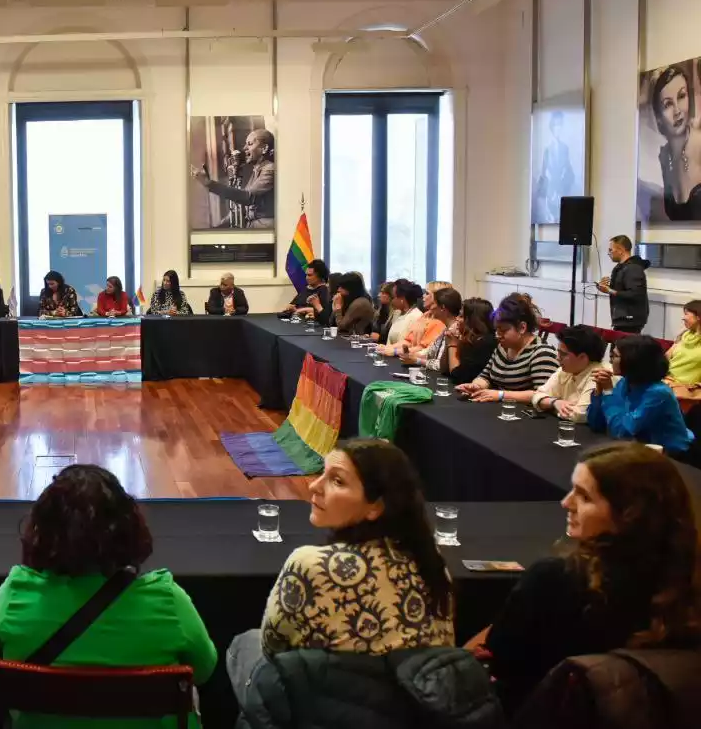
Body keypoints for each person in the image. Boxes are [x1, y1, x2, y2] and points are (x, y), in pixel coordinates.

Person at [0, 465, 216, 728]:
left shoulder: (13, 598)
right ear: (130, 528)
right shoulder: (168, 600)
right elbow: (205, 670)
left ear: (40, 532)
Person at [484, 444, 701, 714]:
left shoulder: (555, 580)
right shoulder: (685, 582)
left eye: (584, 497)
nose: (566, 503)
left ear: (629, 515)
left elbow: (500, 658)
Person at [262, 438, 453, 657]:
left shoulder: (310, 565)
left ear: (376, 507)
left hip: (332, 690)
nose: (314, 486)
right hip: (416, 690)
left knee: (242, 646)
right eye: (322, 474)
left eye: (337, 481)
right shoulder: (430, 561)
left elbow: (272, 649)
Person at [588, 335, 694, 455]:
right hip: (637, 449)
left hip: (671, 456)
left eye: (615, 356)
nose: (611, 360)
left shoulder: (658, 394)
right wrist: (599, 390)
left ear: (633, 360)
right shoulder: (625, 382)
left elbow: (621, 432)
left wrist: (608, 391)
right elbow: (596, 424)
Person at [458, 295, 559, 404]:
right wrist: (476, 386)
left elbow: (542, 396)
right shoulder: (503, 347)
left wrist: (501, 395)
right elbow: (485, 376)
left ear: (522, 328)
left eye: (503, 330)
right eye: (496, 330)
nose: (497, 335)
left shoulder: (542, 354)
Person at [190, 127, 276, 228]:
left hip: (265, 228)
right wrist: (217, 228)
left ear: (264, 149)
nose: (244, 148)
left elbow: (248, 197)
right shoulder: (257, 170)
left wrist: (209, 183)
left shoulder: (270, 169)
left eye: (250, 144)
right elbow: (242, 209)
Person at [648, 65, 701, 220]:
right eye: (668, 104)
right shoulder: (664, 156)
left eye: (681, 96)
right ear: (658, 117)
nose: (677, 110)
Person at [531, 325, 608, 423]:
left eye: (563, 354)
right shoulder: (565, 370)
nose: (557, 358)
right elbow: (536, 396)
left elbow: (580, 415)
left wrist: (550, 407)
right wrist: (555, 402)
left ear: (582, 357)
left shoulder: (599, 374)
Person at [597, 236, 650, 334]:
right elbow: (619, 292)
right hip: (622, 320)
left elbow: (635, 294)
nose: (609, 253)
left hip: (630, 321)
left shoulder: (633, 268)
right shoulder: (620, 268)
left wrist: (609, 290)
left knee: (621, 348)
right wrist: (604, 288)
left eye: (610, 250)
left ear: (621, 250)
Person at [383, 281, 450, 357]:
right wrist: (387, 348)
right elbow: (408, 341)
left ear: (438, 298)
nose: (423, 296)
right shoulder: (425, 317)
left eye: (427, 293)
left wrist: (395, 351)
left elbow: (423, 349)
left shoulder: (439, 322)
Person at [442, 297, 498, 385]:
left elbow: (458, 376)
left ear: (472, 321)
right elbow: (444, 369)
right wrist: (449, 340)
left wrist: (452, 345)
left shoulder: (485, 343)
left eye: (461, 316)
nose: (456, 319)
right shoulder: (467, 339)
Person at [402, 287, 460, 369]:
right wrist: (412, 356)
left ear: (443, 308)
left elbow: (441, 365)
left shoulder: (455, 331)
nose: (431, 309)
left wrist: (417, 360)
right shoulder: (446, 329)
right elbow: (431, 353)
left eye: (433, 304)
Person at [667, 300, 701, 392]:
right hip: (668, 382)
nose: (683, 318)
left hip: (687, 390)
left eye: (686, 314)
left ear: (698, 316)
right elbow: (666, 358)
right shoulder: (684, 335)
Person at [377, 278, 423, 346]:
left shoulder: (416, 317)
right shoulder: (397, 313)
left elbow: (408, 345)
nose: (391, 301)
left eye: (393, 297)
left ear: (402, 299)